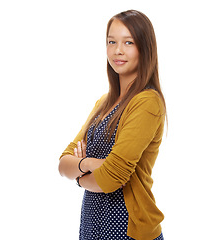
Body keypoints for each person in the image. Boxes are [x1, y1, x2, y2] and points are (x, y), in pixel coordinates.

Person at [59, 10, 166, 240]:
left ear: (144, 48)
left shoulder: (147, 102)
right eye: (111, 42)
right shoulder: (104, 103)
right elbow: (63, 162)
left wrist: (78, 174)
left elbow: (113, 178)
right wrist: (89, 163)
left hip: (129, 229)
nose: (118, 50)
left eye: (129, 42)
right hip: (92, 225)